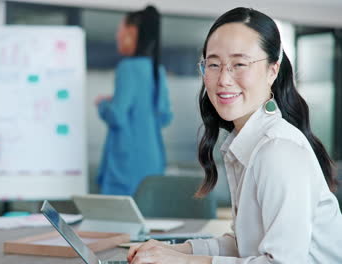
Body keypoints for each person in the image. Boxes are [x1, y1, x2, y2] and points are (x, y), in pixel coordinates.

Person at [127, 7, 342, 264]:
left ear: (273, 70)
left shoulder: (278, 150)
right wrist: (173, 250)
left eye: (239, 64)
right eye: (214, 64)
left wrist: (180, 261)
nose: (224, 79)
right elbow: (243, 244)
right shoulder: (247, 143)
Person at [95, 5, 173, 196]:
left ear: (132, 32)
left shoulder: (127, 68)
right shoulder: (157, 70)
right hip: (153, 158)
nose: (117, 36)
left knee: (119, 220)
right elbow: (164, 116)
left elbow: (117, 116)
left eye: (120, 30)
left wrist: (102, 104)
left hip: (127, 160)